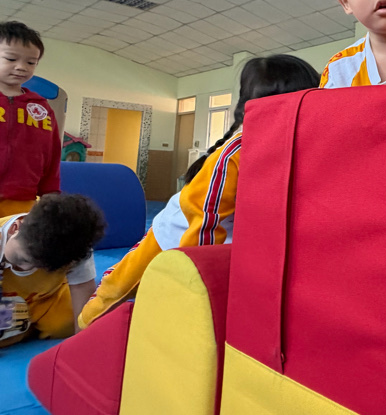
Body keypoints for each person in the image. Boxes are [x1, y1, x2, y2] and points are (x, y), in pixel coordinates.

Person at [78, 55, 320, 328]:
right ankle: (83, 325)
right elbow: (204, 223)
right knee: (117, 289)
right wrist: (197, 284)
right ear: (254, 109)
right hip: (175, 232)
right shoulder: (236, 154)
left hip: (230, 237)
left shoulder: (301, 148)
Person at [1, 193, 105, 346]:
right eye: (24, 259)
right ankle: (24, 328)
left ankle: (28, 326)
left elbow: (83, 298)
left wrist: (83, 343)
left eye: (38, 266)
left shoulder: (74, 252)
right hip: (6, 296)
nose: (26, 268)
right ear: (15, 227)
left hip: (47, 298)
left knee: (77, 322)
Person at [0, 21, 62, 217]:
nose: (21, 67)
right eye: (11, 58)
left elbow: (52, 154)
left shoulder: (41, 108)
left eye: (31, 62)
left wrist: (50, 196)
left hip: (21, 203)